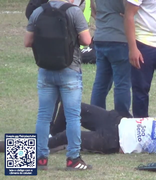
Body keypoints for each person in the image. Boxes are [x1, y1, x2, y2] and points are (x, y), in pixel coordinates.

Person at [24, 0, 92, 171]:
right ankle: (73, 159)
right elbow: (86, 40)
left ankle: (40, 159)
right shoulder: (74, 12)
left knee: (44, 116)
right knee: (73, 117)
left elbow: (27, 41)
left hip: (45, 70)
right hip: (70, 69)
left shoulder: (38, 11)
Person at [37, 102, 156, 158]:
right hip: (116, 121)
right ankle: (50, 135)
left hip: (113, 140)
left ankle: (36, 148)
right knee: (73, 107)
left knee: (69, 136)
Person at [90, 0, 132, 118]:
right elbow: (131, 9)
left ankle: (96, 117)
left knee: (100, 83)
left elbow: (93, 10)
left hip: (101, 37)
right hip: (120, 38)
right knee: (122, 84)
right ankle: (121, 118)